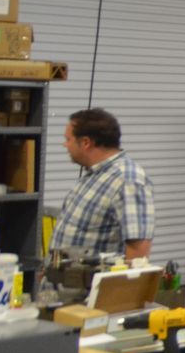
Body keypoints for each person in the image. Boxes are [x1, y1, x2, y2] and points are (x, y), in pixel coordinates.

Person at [52, 108, 155, 260]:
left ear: (86, 142)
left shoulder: (127, 180)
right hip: (63, 282)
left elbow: (138, 253)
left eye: (68, 140)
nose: (65, 145)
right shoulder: (94, 175)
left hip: (91, 284)